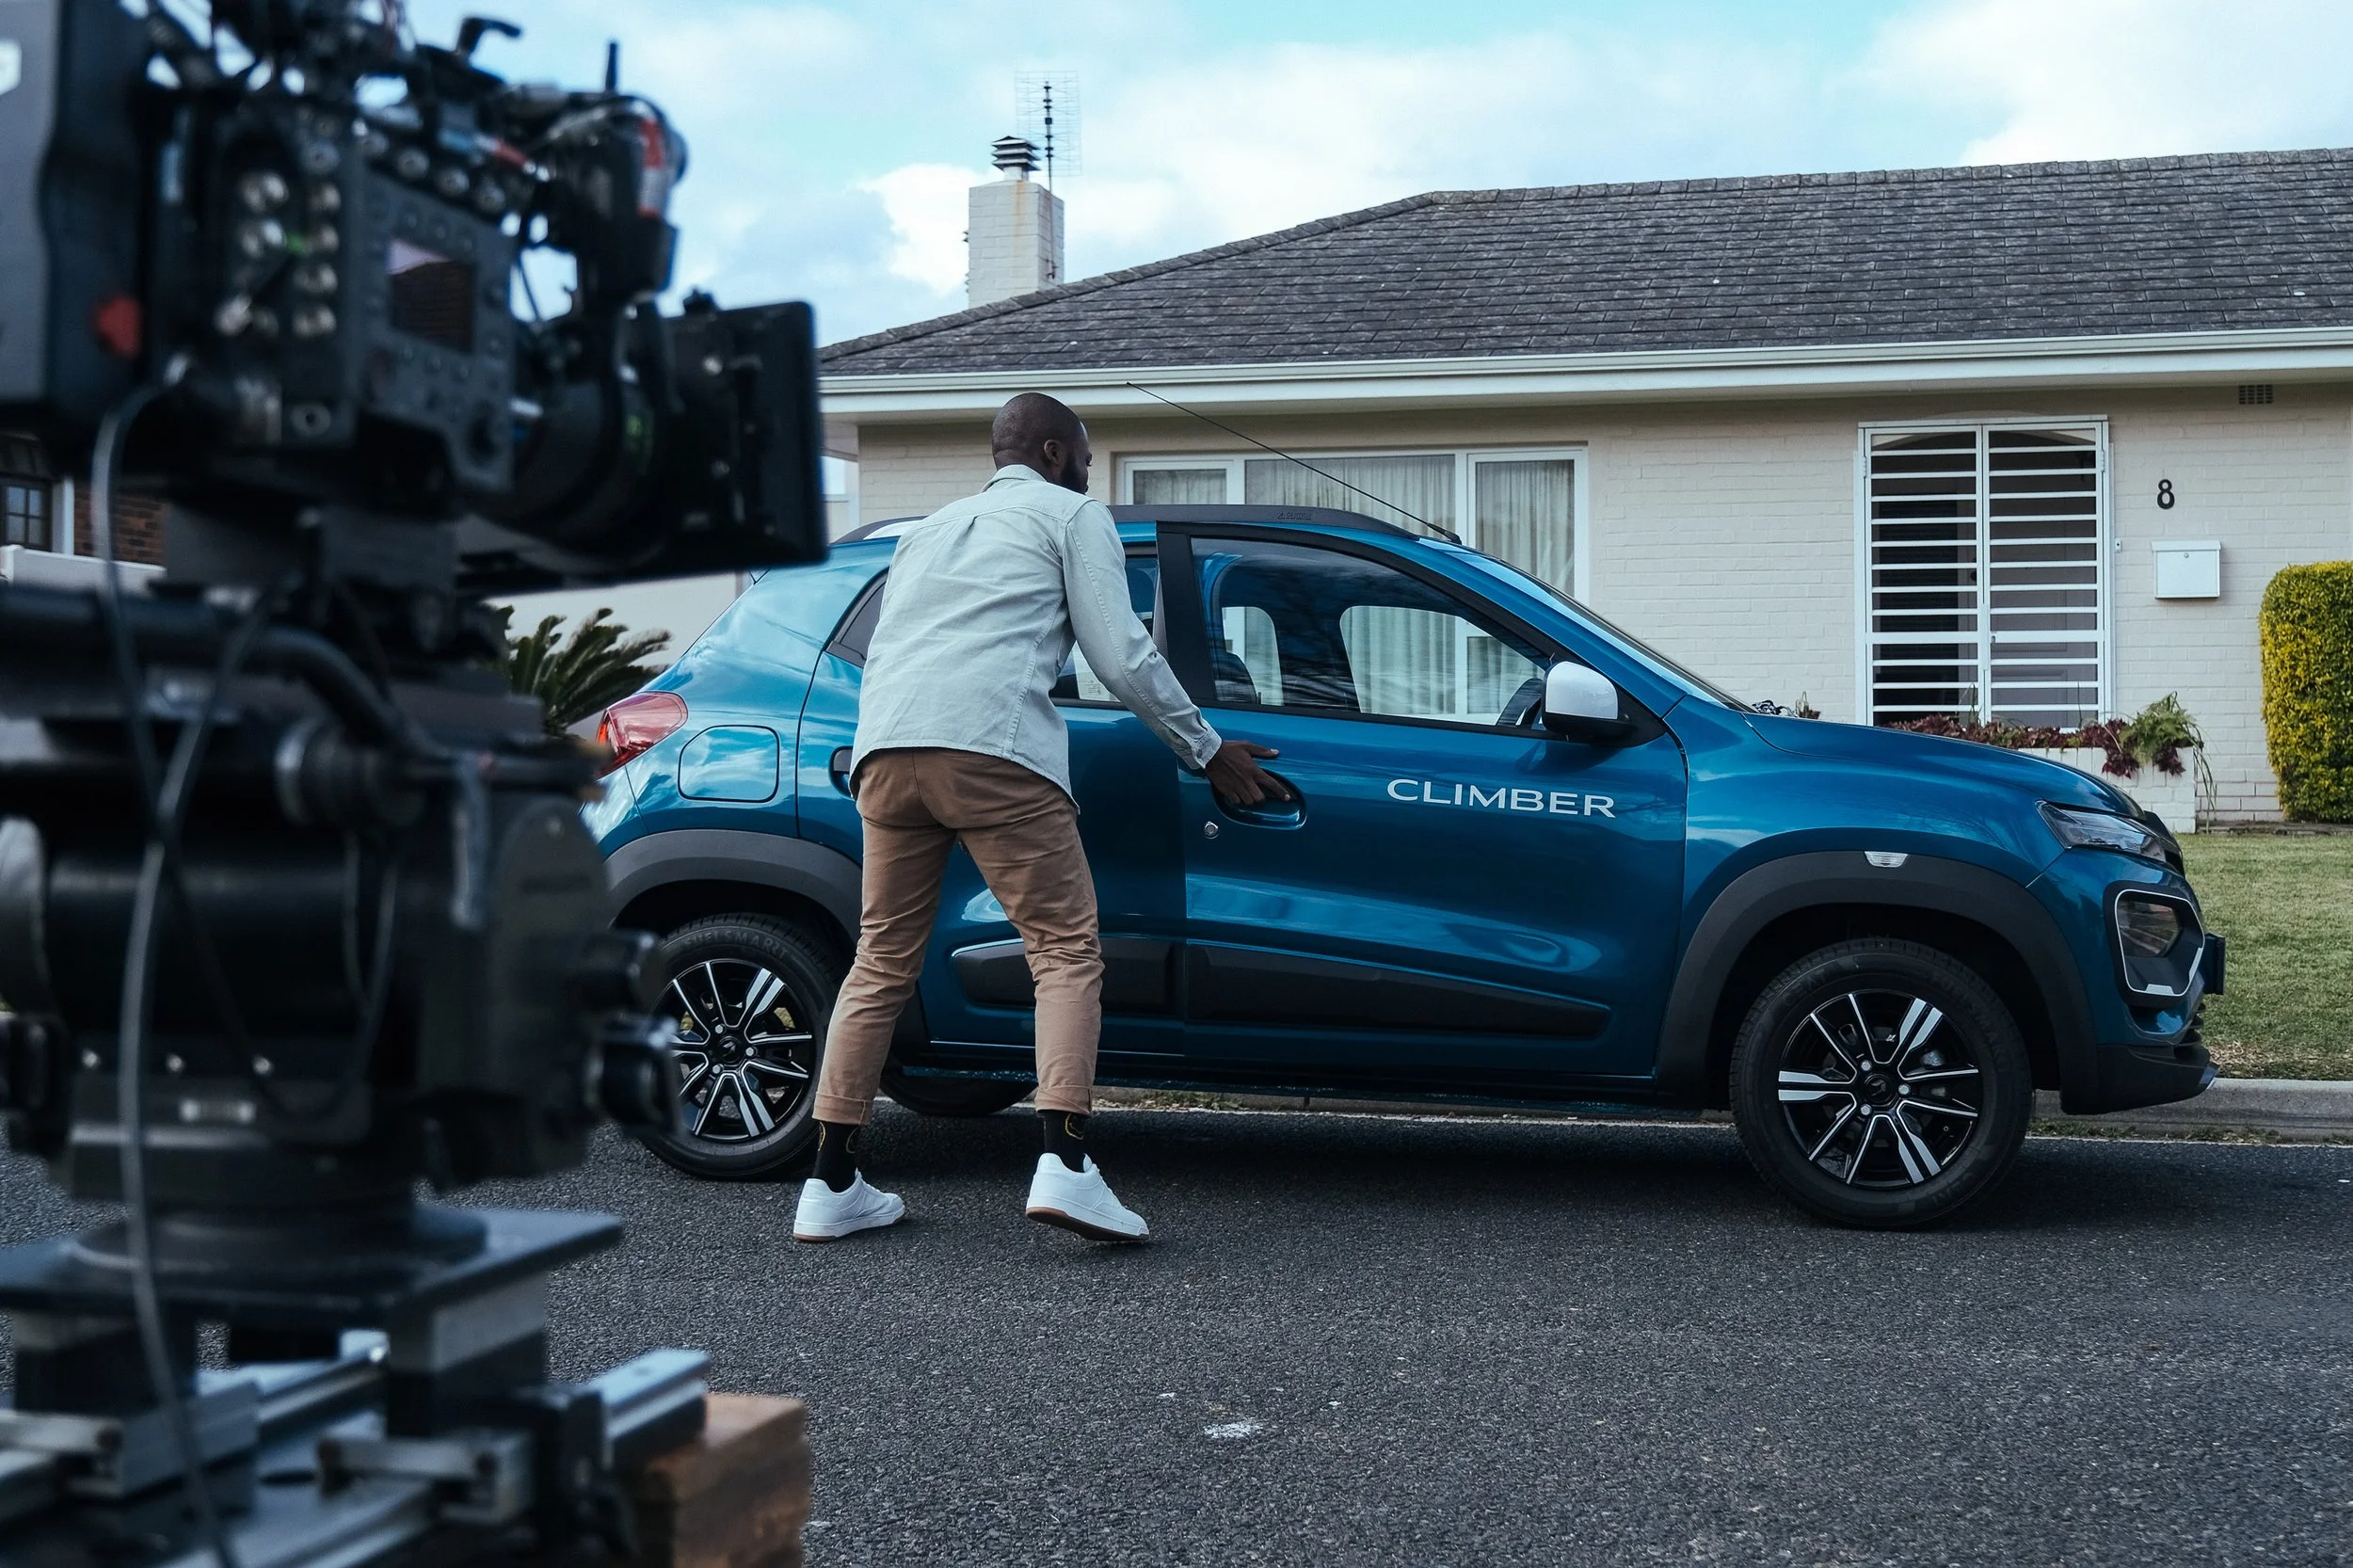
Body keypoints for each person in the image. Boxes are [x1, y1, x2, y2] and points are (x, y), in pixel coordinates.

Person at [793, 392, 1287, 1244]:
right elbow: (1121, 651)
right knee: (1064, 951)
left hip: (885, 751)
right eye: (1088, 455)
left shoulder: (926, 531)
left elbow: (895, 648)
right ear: (1056, 452)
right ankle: (1065, 1164)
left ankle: (830, 1181)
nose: (1091, 469)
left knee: (879, 962)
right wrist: (1206, 749)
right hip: (991, 747)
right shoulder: (1070, 515)